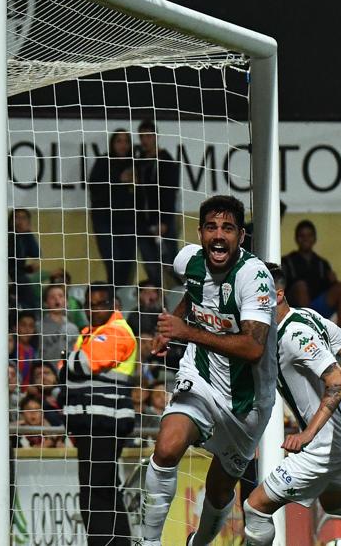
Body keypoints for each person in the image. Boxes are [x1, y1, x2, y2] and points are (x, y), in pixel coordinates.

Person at [141, 195, 276, 546]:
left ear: (241, 236)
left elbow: (253, 347)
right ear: (200, 233)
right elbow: (194, 294)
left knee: (218, 491)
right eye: (212, 227)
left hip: (247, 405)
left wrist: (185, 331)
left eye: (228, 228)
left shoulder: (254, 277)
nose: (219, 236)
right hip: (200, 378)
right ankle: (149, 541)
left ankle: (198, 544)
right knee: (167, 447)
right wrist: (170, 326)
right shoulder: (188, 261)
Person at [240, 263, 341, 546]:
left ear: (277, 296)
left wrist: (307, 434)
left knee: (255, 507)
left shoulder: (294, 336)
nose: (249, 304)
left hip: (323, 445)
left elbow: (337, 379)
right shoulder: (306, 315)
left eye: (257, 296)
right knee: (338, 504)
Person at [59, 281, 138, 546]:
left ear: (115, 305)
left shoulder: (117, 331)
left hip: (105, 419)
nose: (93, 310)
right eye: (89, 305)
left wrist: (66, 363)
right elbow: (70, 367)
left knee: (97, 491)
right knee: (99, 489)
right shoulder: (90, 333)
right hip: (90, 420)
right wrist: (68, 364)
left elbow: (80, 364)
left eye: (100, 304)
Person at [281, 220, 341, 328]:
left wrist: (333, 281)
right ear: (296, 239)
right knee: (301, 286)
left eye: (309, 235)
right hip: (295, 307)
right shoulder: (287, 261)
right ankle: (308, 330)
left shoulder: (322, 263)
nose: (306, 239)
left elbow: (329, 288)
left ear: (314, 238)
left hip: (317, 305)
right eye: (302, 236)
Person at [88, 129, 137, 286]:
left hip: (128, 221)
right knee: (113, 262)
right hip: (105, 221)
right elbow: (94, 188)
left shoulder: (135, 163)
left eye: (126, 141)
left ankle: (120, 301)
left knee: (127, 263)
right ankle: (113, 300)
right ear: (112, 143)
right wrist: (118, 180)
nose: (123, 145)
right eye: (119, 141)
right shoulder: (104, 161)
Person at [134, 120, 180, 288]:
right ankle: (160, 301)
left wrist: (165, 221)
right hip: (144, 223)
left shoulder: (166, 160)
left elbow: (169, 193)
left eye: (148, 135)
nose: (145, 140)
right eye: (142, 136)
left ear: (156, 137)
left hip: (162, 222)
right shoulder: (140, 162)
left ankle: (180, 297)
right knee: (151, 266)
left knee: (169, 264)